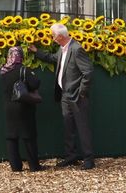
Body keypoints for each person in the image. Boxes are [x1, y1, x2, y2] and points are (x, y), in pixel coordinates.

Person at [28, 23, 95, 170]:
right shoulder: (62, 49)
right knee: (68, 126)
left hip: (76, 96)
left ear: (60, 36)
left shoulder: (76, 49)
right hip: (65, 95)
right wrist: (36, 51)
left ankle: (89, 159)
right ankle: (71, 156)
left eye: (53, 36)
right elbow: (53, 58)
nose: (52, 39)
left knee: (82, 127)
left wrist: (81, 92)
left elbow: (88, 72)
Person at [0, 46, 44, 172]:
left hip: (9, 108)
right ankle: (34, 166)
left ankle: (15, 166)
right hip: (24, 107)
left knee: (11, 137)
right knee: (29, 136)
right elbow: (35, 83)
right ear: (21, 56)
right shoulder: (24, 70)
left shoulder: (3, 71)